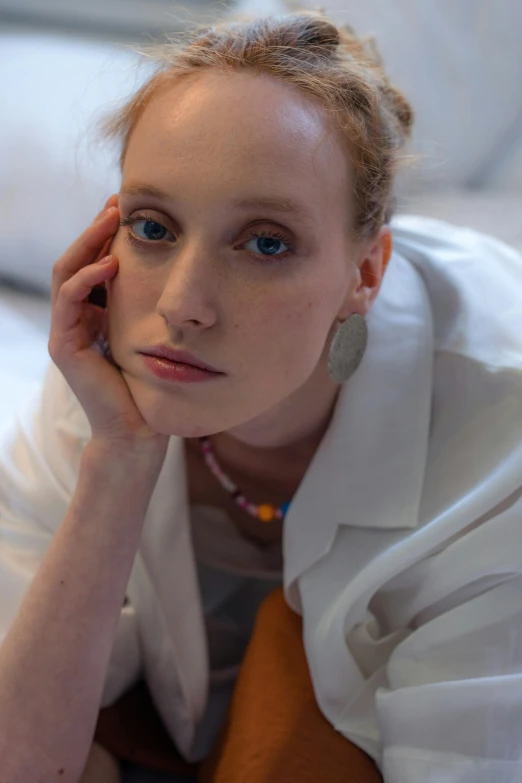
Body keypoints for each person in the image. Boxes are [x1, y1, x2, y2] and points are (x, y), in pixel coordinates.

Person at [1, 6, 522, 783]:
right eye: (153, 227)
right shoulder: (105, 354)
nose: (182, 304)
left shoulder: (496, 436)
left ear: (365, 272)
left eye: (266, 243)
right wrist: (120, 457)